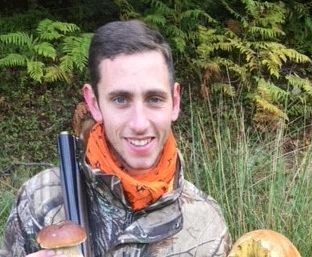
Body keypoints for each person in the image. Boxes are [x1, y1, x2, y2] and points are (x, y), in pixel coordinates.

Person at [0, 20, 231, 257]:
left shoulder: (206, 228)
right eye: (120, 99)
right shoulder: (40, 199)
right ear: (94, 103)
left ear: (175, 101)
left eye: (154, 99)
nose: (139, 124)